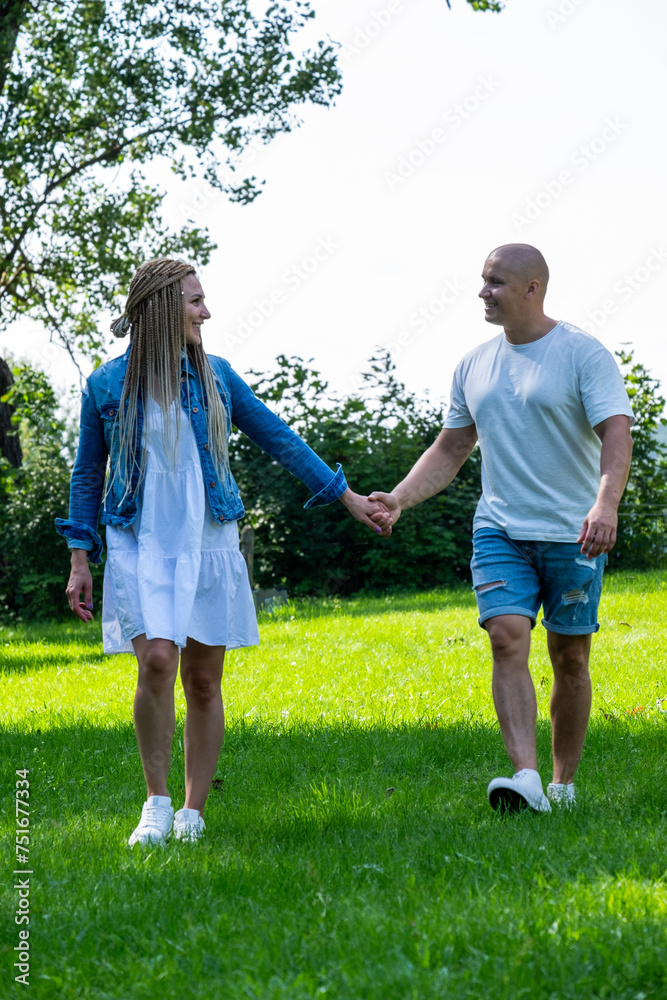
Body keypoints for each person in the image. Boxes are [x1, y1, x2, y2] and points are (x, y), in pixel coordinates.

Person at [56, 257, 387, 845]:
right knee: (157, 660)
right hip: (139, 539)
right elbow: (87, 474)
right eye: (195, 300)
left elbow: (278, 436)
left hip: (207, 537)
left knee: (203, 681)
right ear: (161, 306)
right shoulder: (107, 384)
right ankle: (156, 803)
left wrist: (345, 497)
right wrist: (80, 558)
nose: (206, 312)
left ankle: (192, 812)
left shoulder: (216, 376)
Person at [370, 243, 634, 813]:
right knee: (506, 637)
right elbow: (452, 446)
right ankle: (527, 779)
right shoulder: (473, 364)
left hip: (574, 532)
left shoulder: (583, 355)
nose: (483, 292)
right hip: (500, 529)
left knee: (570, 657)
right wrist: (398, 498)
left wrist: (605, 505)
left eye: (494, 282)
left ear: (531, 288)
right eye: (482, 281)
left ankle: (562, 784)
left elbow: (617, 434)